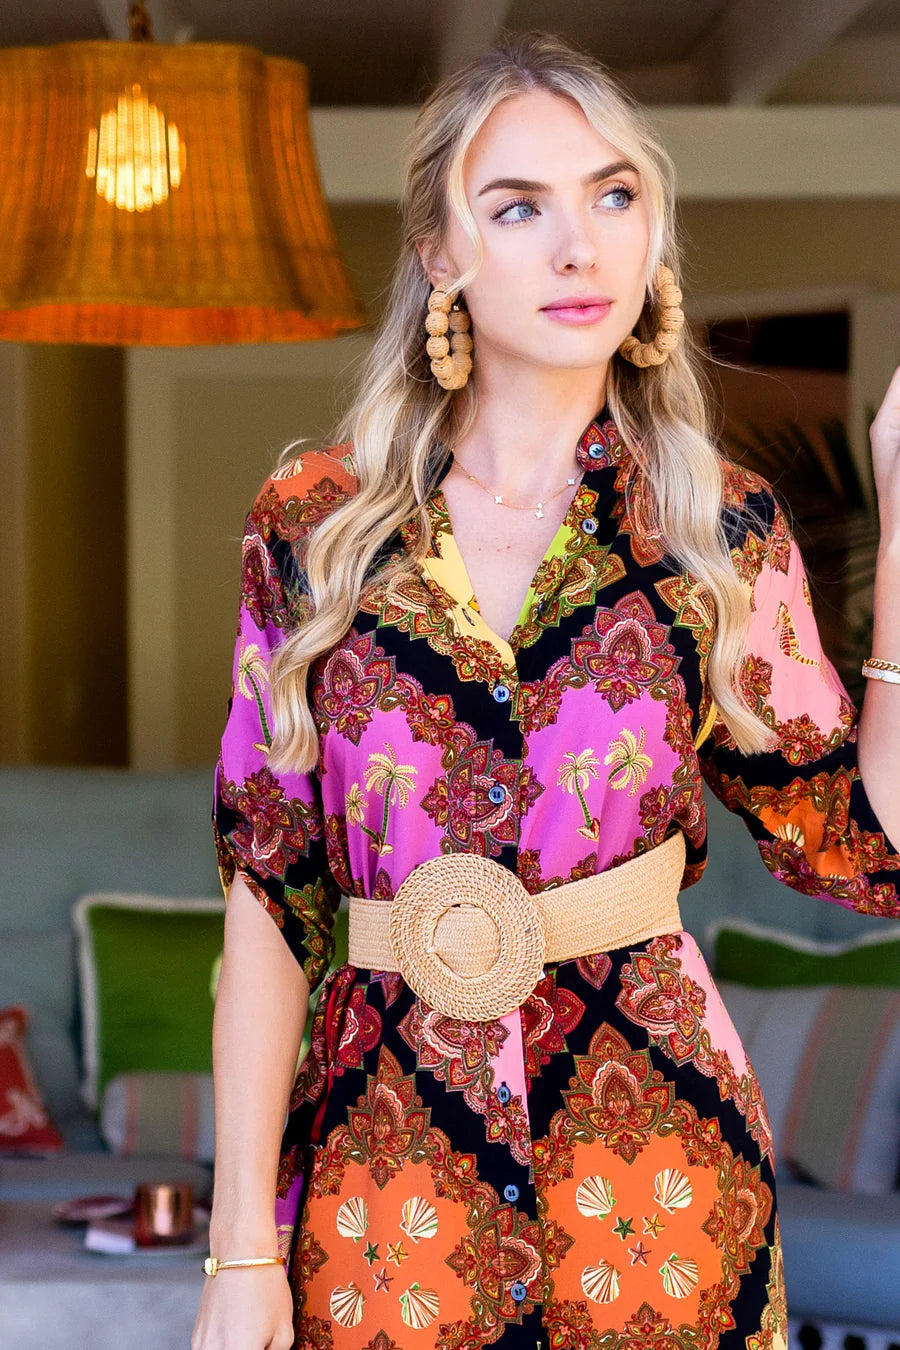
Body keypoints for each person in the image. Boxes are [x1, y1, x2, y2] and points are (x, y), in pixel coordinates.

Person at [191, 31, 900, 1350]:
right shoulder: (316, 524)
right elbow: (270, 901)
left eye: (612, 195)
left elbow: (863, 845)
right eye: (518, 207)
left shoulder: (717, 527)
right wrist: (241, 1251)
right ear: (440, 254)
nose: (581, 247)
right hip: (382, 1187)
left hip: (661, 1182)